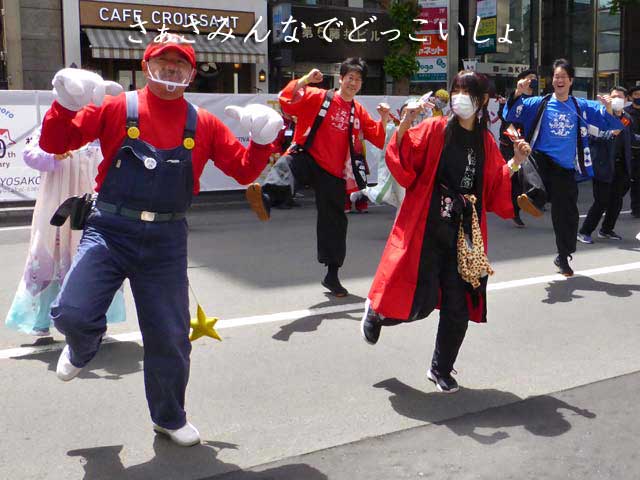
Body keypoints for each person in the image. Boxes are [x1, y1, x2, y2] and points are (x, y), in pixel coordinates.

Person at [38, 35, 282, 446]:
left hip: (167, 239)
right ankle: (83, 346)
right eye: (163, 62)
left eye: (180, 65)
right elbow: (54, 144)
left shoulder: (203, 122)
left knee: (169, 337)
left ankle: (169, 417)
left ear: (191, 73)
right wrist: (65, 104)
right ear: (147, 64)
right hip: (110, 228)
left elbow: (242, 172)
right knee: (73, 313)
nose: (170, 71)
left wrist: (261, 142)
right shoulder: (117, 107)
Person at [360, 71, 532, 393]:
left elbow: (494, 184)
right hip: (428, 227)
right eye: (456, 90)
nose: (458, 97)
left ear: (481, 102)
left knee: (459, 306)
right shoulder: (435, 129)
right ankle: (378, 312)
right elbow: (404, 160)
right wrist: (404, 125)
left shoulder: (486, 142)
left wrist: (516, 162)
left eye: (466, 92)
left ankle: (440, 368)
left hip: (465, 235)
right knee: (418, 301)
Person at [245, 57, 390, 297]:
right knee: (288, 164)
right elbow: (286, 101)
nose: (353, 83)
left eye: (358, 79)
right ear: (340, 79)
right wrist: (304, 80)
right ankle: (266, 199)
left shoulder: (357, 109)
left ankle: (332, 275)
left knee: (335, 223)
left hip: (333, 172)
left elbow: (377, 136)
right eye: (350, 77)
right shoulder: (318, 95)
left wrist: (383, 117)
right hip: (308, 155)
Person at [503, 58, 622, 276]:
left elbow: (612, 124)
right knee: (530, 160)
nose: (559, 80)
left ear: (571, 81)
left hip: (565, 168)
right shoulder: (539, 102)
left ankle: (563, 256)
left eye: (563, 77)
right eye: (556, 76)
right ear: (552, 80)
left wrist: (608, 108)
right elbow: (510, 113)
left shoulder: (581, 105)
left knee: (567, 216)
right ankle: (533, 198)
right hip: (541, 160)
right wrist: (518, 93)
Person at [5, 128, 125, 336]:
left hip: (92, 201)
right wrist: (51, 155)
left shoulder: (100, 125)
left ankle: (93, 320)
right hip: (55, 203)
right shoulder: (52, 125)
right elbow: (30, 154)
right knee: (50, 258)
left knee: (93, 260)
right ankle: (41, 320)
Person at [578, 87, 634, 243]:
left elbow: (630, 139)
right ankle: (584, 231)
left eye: (620, 97)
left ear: (625, 100)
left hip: (621, 166)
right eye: (613, 96)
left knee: (616, 201)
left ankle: (607, 229)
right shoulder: (599, 115)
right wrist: (610, 133)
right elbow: (592, 137)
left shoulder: (626, 117)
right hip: (603, 165)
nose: (616, 99)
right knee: (601, 201)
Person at [499, 69, 538, 228]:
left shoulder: (537, 100)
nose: (532, 81)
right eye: (529, 79)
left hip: (527, 144)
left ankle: (529, 200)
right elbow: (506, 119)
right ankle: (514, 210)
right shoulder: (515, 97)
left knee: (526, 177)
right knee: (514, 177)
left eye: (534, 79)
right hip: (511, 144)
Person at [626, 85, 640, 217]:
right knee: (628, 181)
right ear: (630, 97)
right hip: (630, 151)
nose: (639, 97)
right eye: (636, 95)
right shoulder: (627, 113)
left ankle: (637, 209)